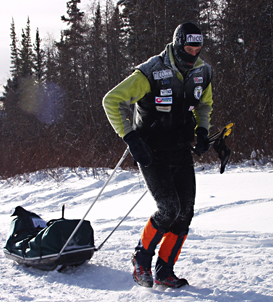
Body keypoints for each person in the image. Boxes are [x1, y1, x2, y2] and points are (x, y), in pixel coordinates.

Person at [102, 22, 213, 288]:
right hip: (151, 152)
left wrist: (203, 131)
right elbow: (111, 100)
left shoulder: (203, 72)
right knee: (169, 209)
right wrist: (130, 137)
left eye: (198, 48)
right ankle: (141, 259)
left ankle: (165, 270)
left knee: (185, 213)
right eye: (188, 47)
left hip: (181, 150)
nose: (193, 53)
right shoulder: (151, 72)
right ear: (177, 45)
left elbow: (204, 104)